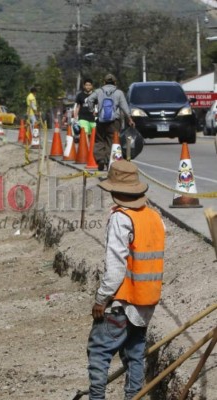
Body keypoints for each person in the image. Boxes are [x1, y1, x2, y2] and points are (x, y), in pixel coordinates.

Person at [87, 160, 165, 400]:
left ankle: (97, 397)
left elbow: (115, 267)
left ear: (115, 191)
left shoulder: (121, 218)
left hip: (122, 301)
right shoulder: (154, 217)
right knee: (135, 354)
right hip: (145, 302)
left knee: (99, 351)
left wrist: (101, 299)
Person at [85, 74, 135, 171]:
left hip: (101, 121)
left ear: (104, 82)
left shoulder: (99, 91)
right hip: (114, 122)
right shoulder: (119, 93)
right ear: (115, 82)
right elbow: (125, 107)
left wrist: (92, 111)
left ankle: (100, 160)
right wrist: (130, 119)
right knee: (111, 142)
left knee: (99, 141)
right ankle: (108, 161)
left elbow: (89, 99)